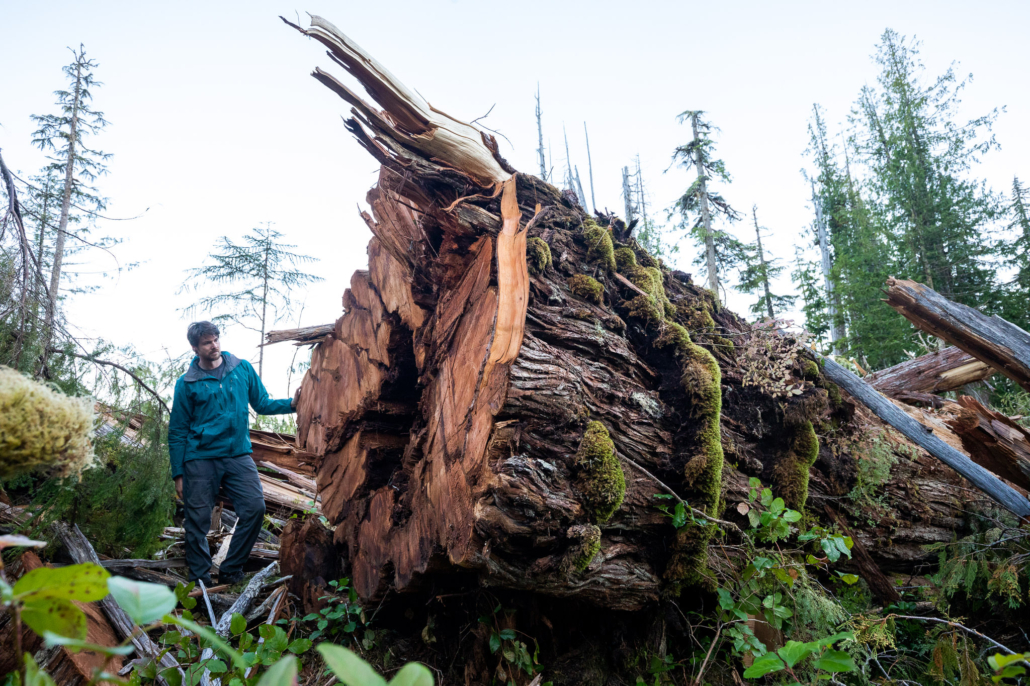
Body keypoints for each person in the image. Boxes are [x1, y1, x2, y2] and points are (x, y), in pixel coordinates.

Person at [168, 321, 299, 586]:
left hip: (238, 455)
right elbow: (178, 431)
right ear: (195, 348)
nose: (214, 345)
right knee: (197, 522)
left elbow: (262, 404)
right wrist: (178, 474)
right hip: (199, 459)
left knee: (254, 507)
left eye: (215, 339)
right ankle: (200, 582)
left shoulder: (241, 369)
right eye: (207, 342)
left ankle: (231, 568)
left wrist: (293, 405)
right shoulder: (187, 384)